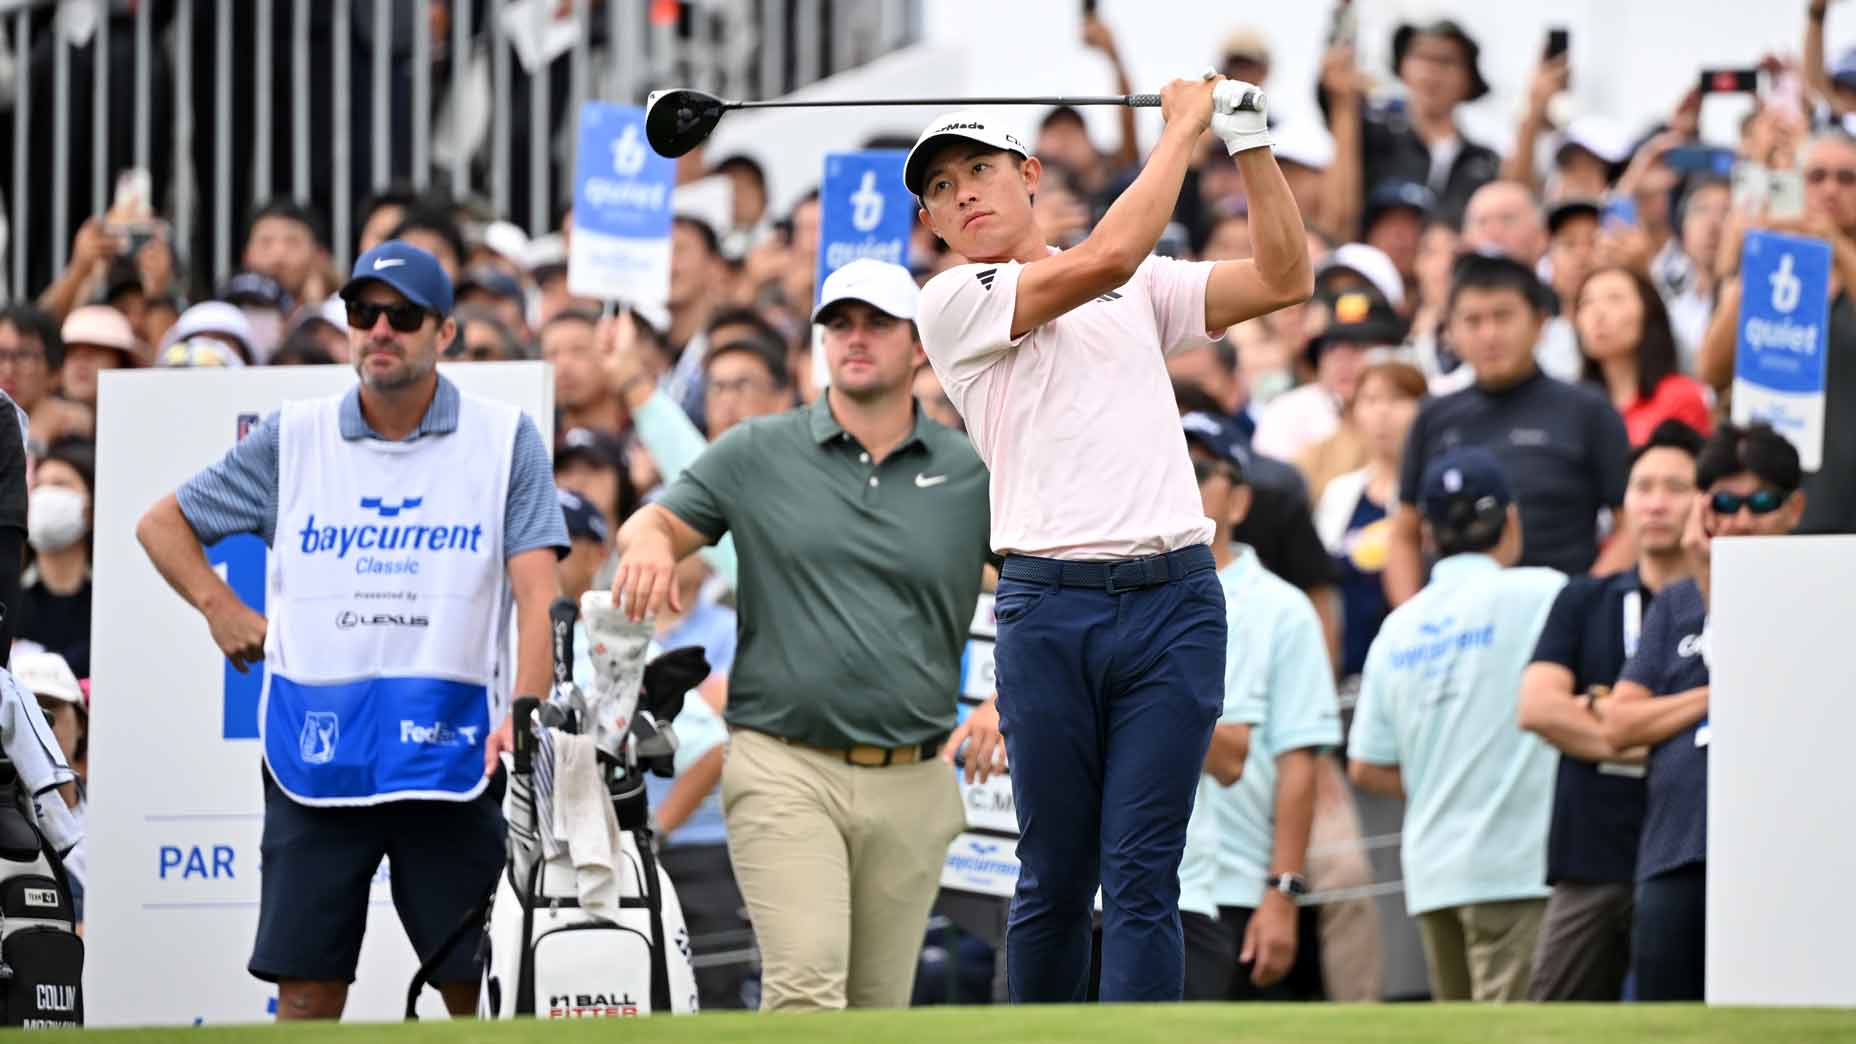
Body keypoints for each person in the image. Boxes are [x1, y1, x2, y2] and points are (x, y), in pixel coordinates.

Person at [909, 72, 1312, 1003]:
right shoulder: (954, 300)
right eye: (940, 188)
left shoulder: (1141, 290)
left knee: (1141, 875)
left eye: (978, 170)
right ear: (931, 223)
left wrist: (1247, 141)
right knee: (1054, 874)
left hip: (1174, 600)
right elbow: (1106, 257)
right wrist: (1181, 132)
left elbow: (1286, 278)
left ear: (1028, 174)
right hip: (1048, 607)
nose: (962, 193)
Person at [134, 240, 567, 1020]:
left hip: (453, 747)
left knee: (480, 983)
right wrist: (218, 606)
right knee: (305, 986)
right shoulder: (292, 435)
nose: (380, 330)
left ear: (445, 332)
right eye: (364, 312)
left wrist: (524, 716)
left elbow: (540, 596)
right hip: (316, 752)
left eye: (403, 316)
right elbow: (162, 525)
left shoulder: (504, 439)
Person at [609, 258, 989, 1012]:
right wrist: (650, 543)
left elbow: (1044, 593)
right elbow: (651, 520)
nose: (856, 337)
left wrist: (1007, 700)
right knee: (806, 988)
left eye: (878, 323)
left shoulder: (970, 467)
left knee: (878, 1010)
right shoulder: (758, 450)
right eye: (839, 323)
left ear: (919, 345)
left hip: (913, 775)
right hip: (783, 764)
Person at [1348, 447, 1566, 1002]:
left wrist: (1437, 780)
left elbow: (1367, 765)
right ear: (1510, 520)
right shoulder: (1546, 593)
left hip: (1434, 876)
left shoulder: (1398, 629)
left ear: (1425, 534)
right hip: (1516, 868)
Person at [1600, 422, 1806, 1002]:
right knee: (1666, 1020)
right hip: (1676, 845)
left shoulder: (1828, 588)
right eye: (1726, 503)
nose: (1742, 520)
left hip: (1784, 848)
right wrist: (1721, 697)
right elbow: (1619, 724)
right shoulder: (1677, 603)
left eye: (1761, 503)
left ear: (1794, 508)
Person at [1519, 420, 1704, 1002]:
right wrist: (1658, 729)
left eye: (1676, 487)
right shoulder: (1585, 598)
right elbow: (1537, 708)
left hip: (1690, 854)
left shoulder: (1726, 603)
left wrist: (1604, 709)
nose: (1657, 502)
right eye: (1643, 486)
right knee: (1551, 1019)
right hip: (1594, 853)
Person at [1181, 414, 1340, 1002]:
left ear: (1240, 500)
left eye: (1198, 470)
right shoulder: (1122, 589)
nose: (1179, 479)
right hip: (1133, 883)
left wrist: (1282, 890)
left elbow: (1299, 761)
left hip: (1235, 884)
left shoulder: (1283, 607)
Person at [1386, 253, 1632, 605]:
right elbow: (1405, 533)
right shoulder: (1432, 416)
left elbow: (1630, 527)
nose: (1489, 334)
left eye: (1503, 316)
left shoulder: (1588, 409)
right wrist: (1413, 616)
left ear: (1540, 322)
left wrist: (1579, 607)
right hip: (1453, 624)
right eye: (1472, 321)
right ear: (1450, 332)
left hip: (1558, 621)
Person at [1700, 130, 1856, 535]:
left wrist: (1835, 245)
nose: (1830, 190)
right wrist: (1757, 257)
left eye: (1846, 178)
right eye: (1816, 177)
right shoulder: (1772, 264)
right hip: (1774, 505)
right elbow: (1712, 369)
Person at [1315, 360, 1427, 685]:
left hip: (1416, 669)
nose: (1382, 413)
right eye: (1370, 400)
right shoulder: (1340, 493)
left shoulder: (1431, 490)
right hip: (1352, 671)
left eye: (1397, 399)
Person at [1253, 287, 1403, 464]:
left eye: (1359, 347)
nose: (1343, 363)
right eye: (1331, 349)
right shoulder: (1287, 413)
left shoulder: (1416, 406)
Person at [1575, 267, 1712, 445]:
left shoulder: (1680, 397)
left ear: (1649, 313)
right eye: (1586, 302)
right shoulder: (1572, 406)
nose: (1597, 313)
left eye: (1615, 299)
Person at [17, 437, 94, 679]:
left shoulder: (107, 605)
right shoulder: (8, 602)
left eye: (60, 484)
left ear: (90, 508)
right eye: (38, 486)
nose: (45, 495)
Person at [58, 305, 145, 414]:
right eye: (72, 352)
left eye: (95, 350)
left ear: (122, 363)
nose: (80, 362)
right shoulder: (31, 425)